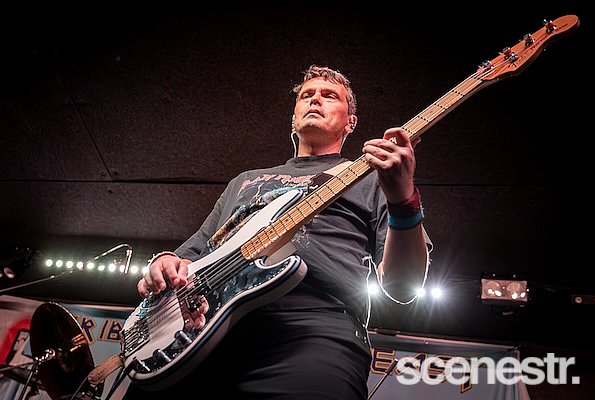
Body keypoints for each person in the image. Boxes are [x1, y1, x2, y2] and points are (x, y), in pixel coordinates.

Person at [123, 65, 431, 399]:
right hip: (202, 330)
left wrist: (403, 200)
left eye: (330, 96)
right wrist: (166, 263)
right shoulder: (244, 180)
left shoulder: (373, 178)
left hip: (311, 332)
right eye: (307, 95)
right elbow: (195, 251)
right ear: (294, 117)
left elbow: (403, 286)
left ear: (351, 122)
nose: (315, 99)